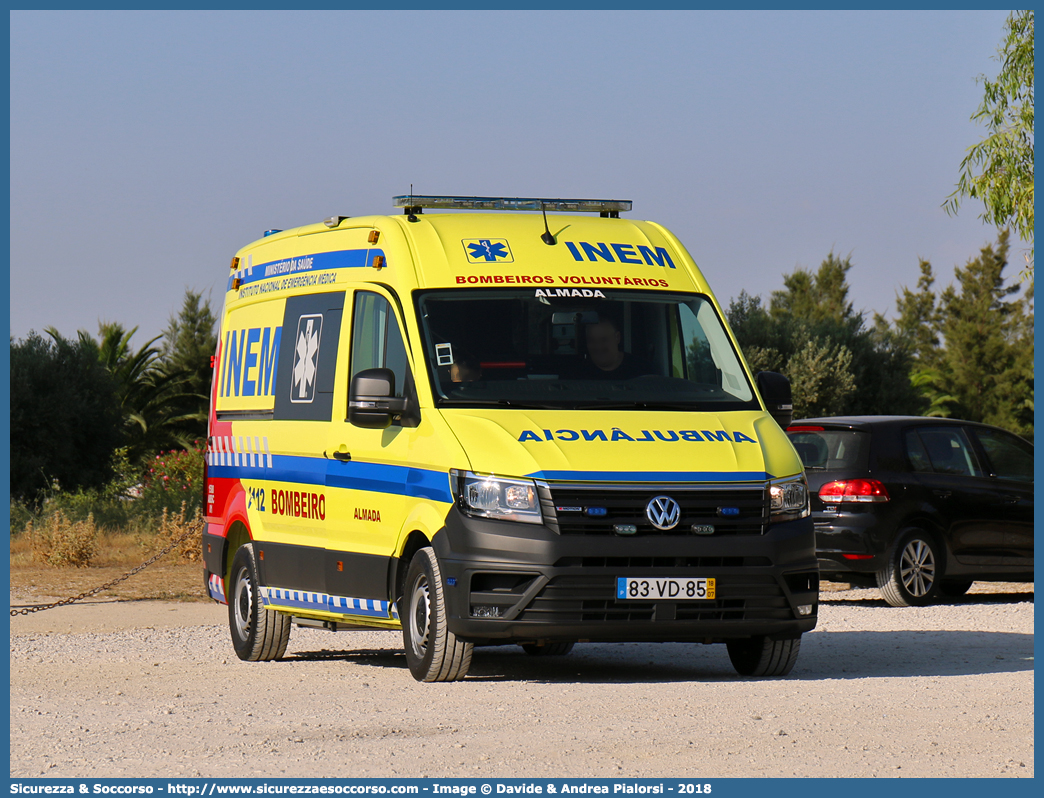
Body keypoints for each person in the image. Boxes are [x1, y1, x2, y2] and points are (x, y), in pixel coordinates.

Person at [581, 317, 652, 379]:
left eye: (604, 340)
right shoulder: (579, 373)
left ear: (617, 338)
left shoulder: (642, 370)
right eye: (592, 340)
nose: (598, 346)